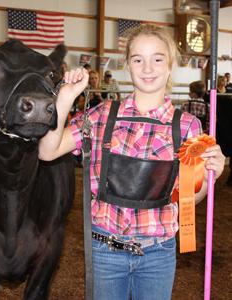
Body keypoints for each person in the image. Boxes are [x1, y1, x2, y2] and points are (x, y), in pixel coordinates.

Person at [38, 24, 225, 300]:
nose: (148, 68)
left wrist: (212, 175)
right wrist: (65, 98)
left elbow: (189, 198)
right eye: (138, 59)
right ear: (128, 64)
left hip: (158, 252)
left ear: (170, 65)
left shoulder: (187, 127)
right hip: (105, 251)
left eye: (158, 59)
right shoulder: (101, 115)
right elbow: (47, 151)